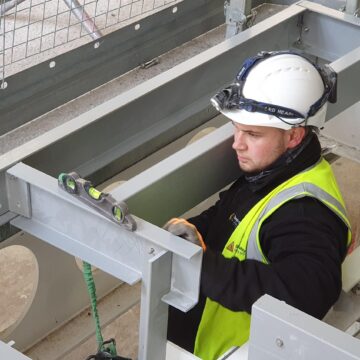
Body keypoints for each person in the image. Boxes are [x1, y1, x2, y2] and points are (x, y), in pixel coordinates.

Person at [163, 50, 352, 360]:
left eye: (252, 133)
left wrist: (198, 266)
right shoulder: (272, 171)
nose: (237, 143)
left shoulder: (305, 213)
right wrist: (190, 230)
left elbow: (306, 296)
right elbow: (230, 214)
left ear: (293, 136)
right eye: (237, 129)